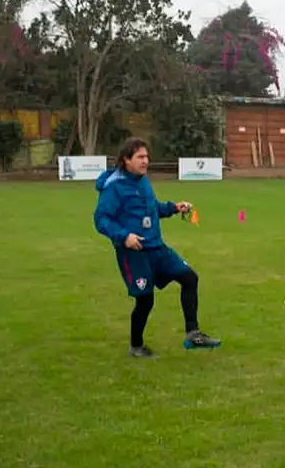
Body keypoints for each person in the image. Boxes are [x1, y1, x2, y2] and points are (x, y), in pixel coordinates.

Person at [94, 137, 221, 357]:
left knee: (190, 278)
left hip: (156, 247)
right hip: (134, 253)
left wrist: (174, 207)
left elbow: (152, 208)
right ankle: (136, 346)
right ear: (126, 160)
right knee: (145, 299)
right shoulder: (113, 187)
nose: (145, 161)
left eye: (146, 156)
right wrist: (124, 237)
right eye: (140, 157)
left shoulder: (142, 180)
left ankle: (193, 334)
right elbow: (101, 219)